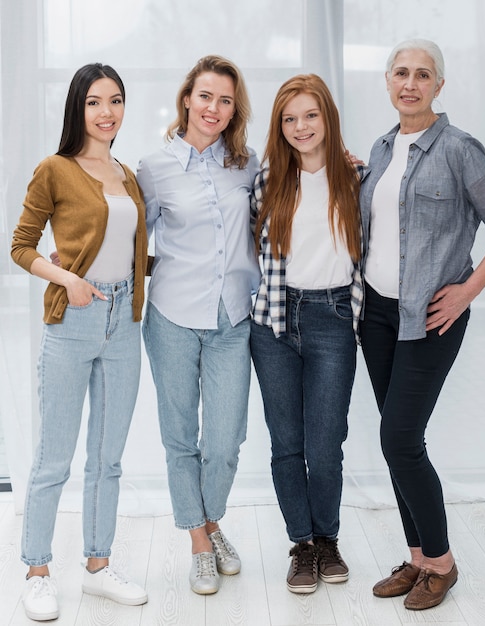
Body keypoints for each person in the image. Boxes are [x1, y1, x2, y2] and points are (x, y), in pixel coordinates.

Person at [359, 39, 485, 611]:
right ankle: (417, 560)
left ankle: (444, 562)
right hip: (376, 315)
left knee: (399, 439)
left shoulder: (460, 150)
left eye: (423, 74)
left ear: (439, 85)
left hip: (431, 318)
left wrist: (466, 291)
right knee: (397, 443)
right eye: (401, 73)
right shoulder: (381, 150)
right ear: (387, 82)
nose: (410, 83)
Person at [11, 63, 149, 621]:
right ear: (78, 108)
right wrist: (68, 278)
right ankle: (38, 571)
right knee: (53, 458)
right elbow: (21, 245)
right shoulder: (56, 169)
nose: (107, 112)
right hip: (73, 319)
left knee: (108, 459)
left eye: (116, 101)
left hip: (125, 322)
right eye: (95, 102)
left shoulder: (127, 173)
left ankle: (97, 566)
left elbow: (134, 247)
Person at [136, 55, 260, 595]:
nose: (214, 108)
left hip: (233, 315)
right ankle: (201, 543)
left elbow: (294, 188)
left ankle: (209, 523)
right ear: (187, 98)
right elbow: (133, 240)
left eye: (225, 100)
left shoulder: (249, 163)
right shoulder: (154, 167)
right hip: (172, 318)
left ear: (235, 110)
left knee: (227, 439)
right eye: (205, 96)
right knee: (180, 438)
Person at [250, 74, 363, 594]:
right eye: (289, 118)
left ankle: (327, 538)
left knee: (326, 444)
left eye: (310, 115)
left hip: (334, 319)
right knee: (286, 443)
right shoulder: (269, 177)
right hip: (274, 322)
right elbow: (242, 247)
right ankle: (302, 544)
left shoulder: (357, 176)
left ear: (328, 118)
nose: (300, 126)